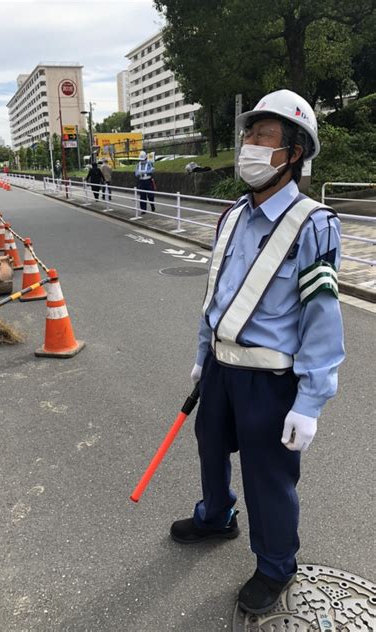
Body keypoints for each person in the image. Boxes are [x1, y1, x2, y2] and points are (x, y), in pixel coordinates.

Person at [170, 89, 345, 615]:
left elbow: (322, 319)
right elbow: (217, 296)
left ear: (293, 153)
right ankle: (217, 515)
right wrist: (205, 353)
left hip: (270, 380)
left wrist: (310, 402)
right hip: (222, 369)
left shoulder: (313, 224)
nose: (249, 144)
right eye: (248, 134)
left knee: (268, 478)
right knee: (210, 446)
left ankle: (275, 565)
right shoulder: (232, 216)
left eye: (263, 136)